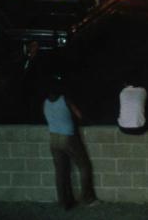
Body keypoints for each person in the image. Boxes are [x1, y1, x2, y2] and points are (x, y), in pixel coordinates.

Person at [43, 78, 97, 210]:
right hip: (68, 137)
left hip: (53, 139)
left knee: (61, 172)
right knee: (84, 166)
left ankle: (64, 202)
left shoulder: (45, 102)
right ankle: (87, 198)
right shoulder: (65, 99)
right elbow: (79, 115)